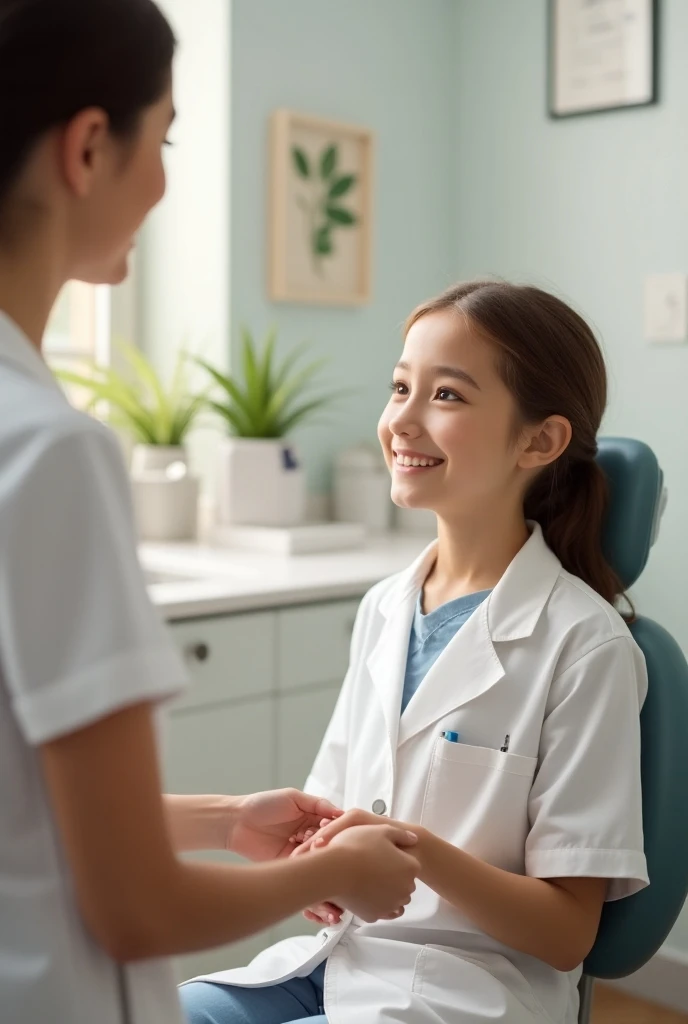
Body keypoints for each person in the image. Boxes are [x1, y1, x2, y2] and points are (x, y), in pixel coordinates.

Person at [0, 2, 421, 1023]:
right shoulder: (51, 451)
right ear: (90, 147)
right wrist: (343, 880)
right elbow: (137, 906)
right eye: (169, 138)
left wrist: (228, 814)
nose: (164, 183)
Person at [180, 281, 649, 1024]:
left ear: (540, 440)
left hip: (470, 990)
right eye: (400, 386)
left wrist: (416, 852)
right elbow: (336, 812)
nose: (401, 419)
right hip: (338, 958)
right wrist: (319, 861)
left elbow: (566, 934)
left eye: (448, 396)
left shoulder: (586, 647)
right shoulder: (385, 607)